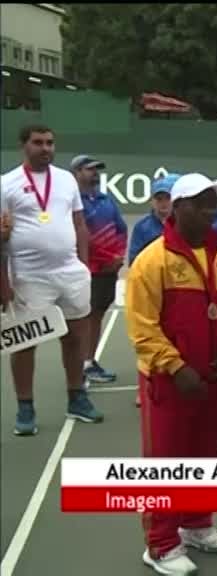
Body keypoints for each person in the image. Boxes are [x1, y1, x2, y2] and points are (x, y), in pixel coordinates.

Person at [126, 173, 217, 574]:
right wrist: (175, 366)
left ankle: (195, 523)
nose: (213, 212)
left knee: (206, 454)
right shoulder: (152, 261)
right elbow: (142, 327)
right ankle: (160, 543)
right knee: (166, 461)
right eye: (204, 204)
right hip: (168, 382)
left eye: (215, 204)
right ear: (180, 208)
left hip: (211, 378)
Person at [1, 124, 104, 436]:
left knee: (74, 337)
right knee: (25, 342)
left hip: (70, 273)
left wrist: (84, 266)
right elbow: (0, 236)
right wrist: (2, 284)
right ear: (24, 146)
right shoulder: (6, 184)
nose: (45, 148)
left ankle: (77, 398)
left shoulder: (66, 180)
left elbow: (79, 222)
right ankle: (25, 407)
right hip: (29, 276)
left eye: (50, 143)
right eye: (38, 143)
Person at [73, 154, 127, 386]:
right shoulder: (73, 202)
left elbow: (121, 229)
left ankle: (88, 361)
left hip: (109, 270)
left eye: (97, 169)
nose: (95, 173)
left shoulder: (107, 200)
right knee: (85, 318)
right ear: (76, 173)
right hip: (87, 270)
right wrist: (105, 259)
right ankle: (82, 363)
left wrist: (118, 257)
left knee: (97, 316)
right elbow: (78, 236)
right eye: (89, 169)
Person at [129, 174, 178, 266]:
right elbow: (133, 260)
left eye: (167, 198)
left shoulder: (182, 224)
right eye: (159, 199)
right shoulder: (141, 227)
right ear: (151, 201)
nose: (163, 203)